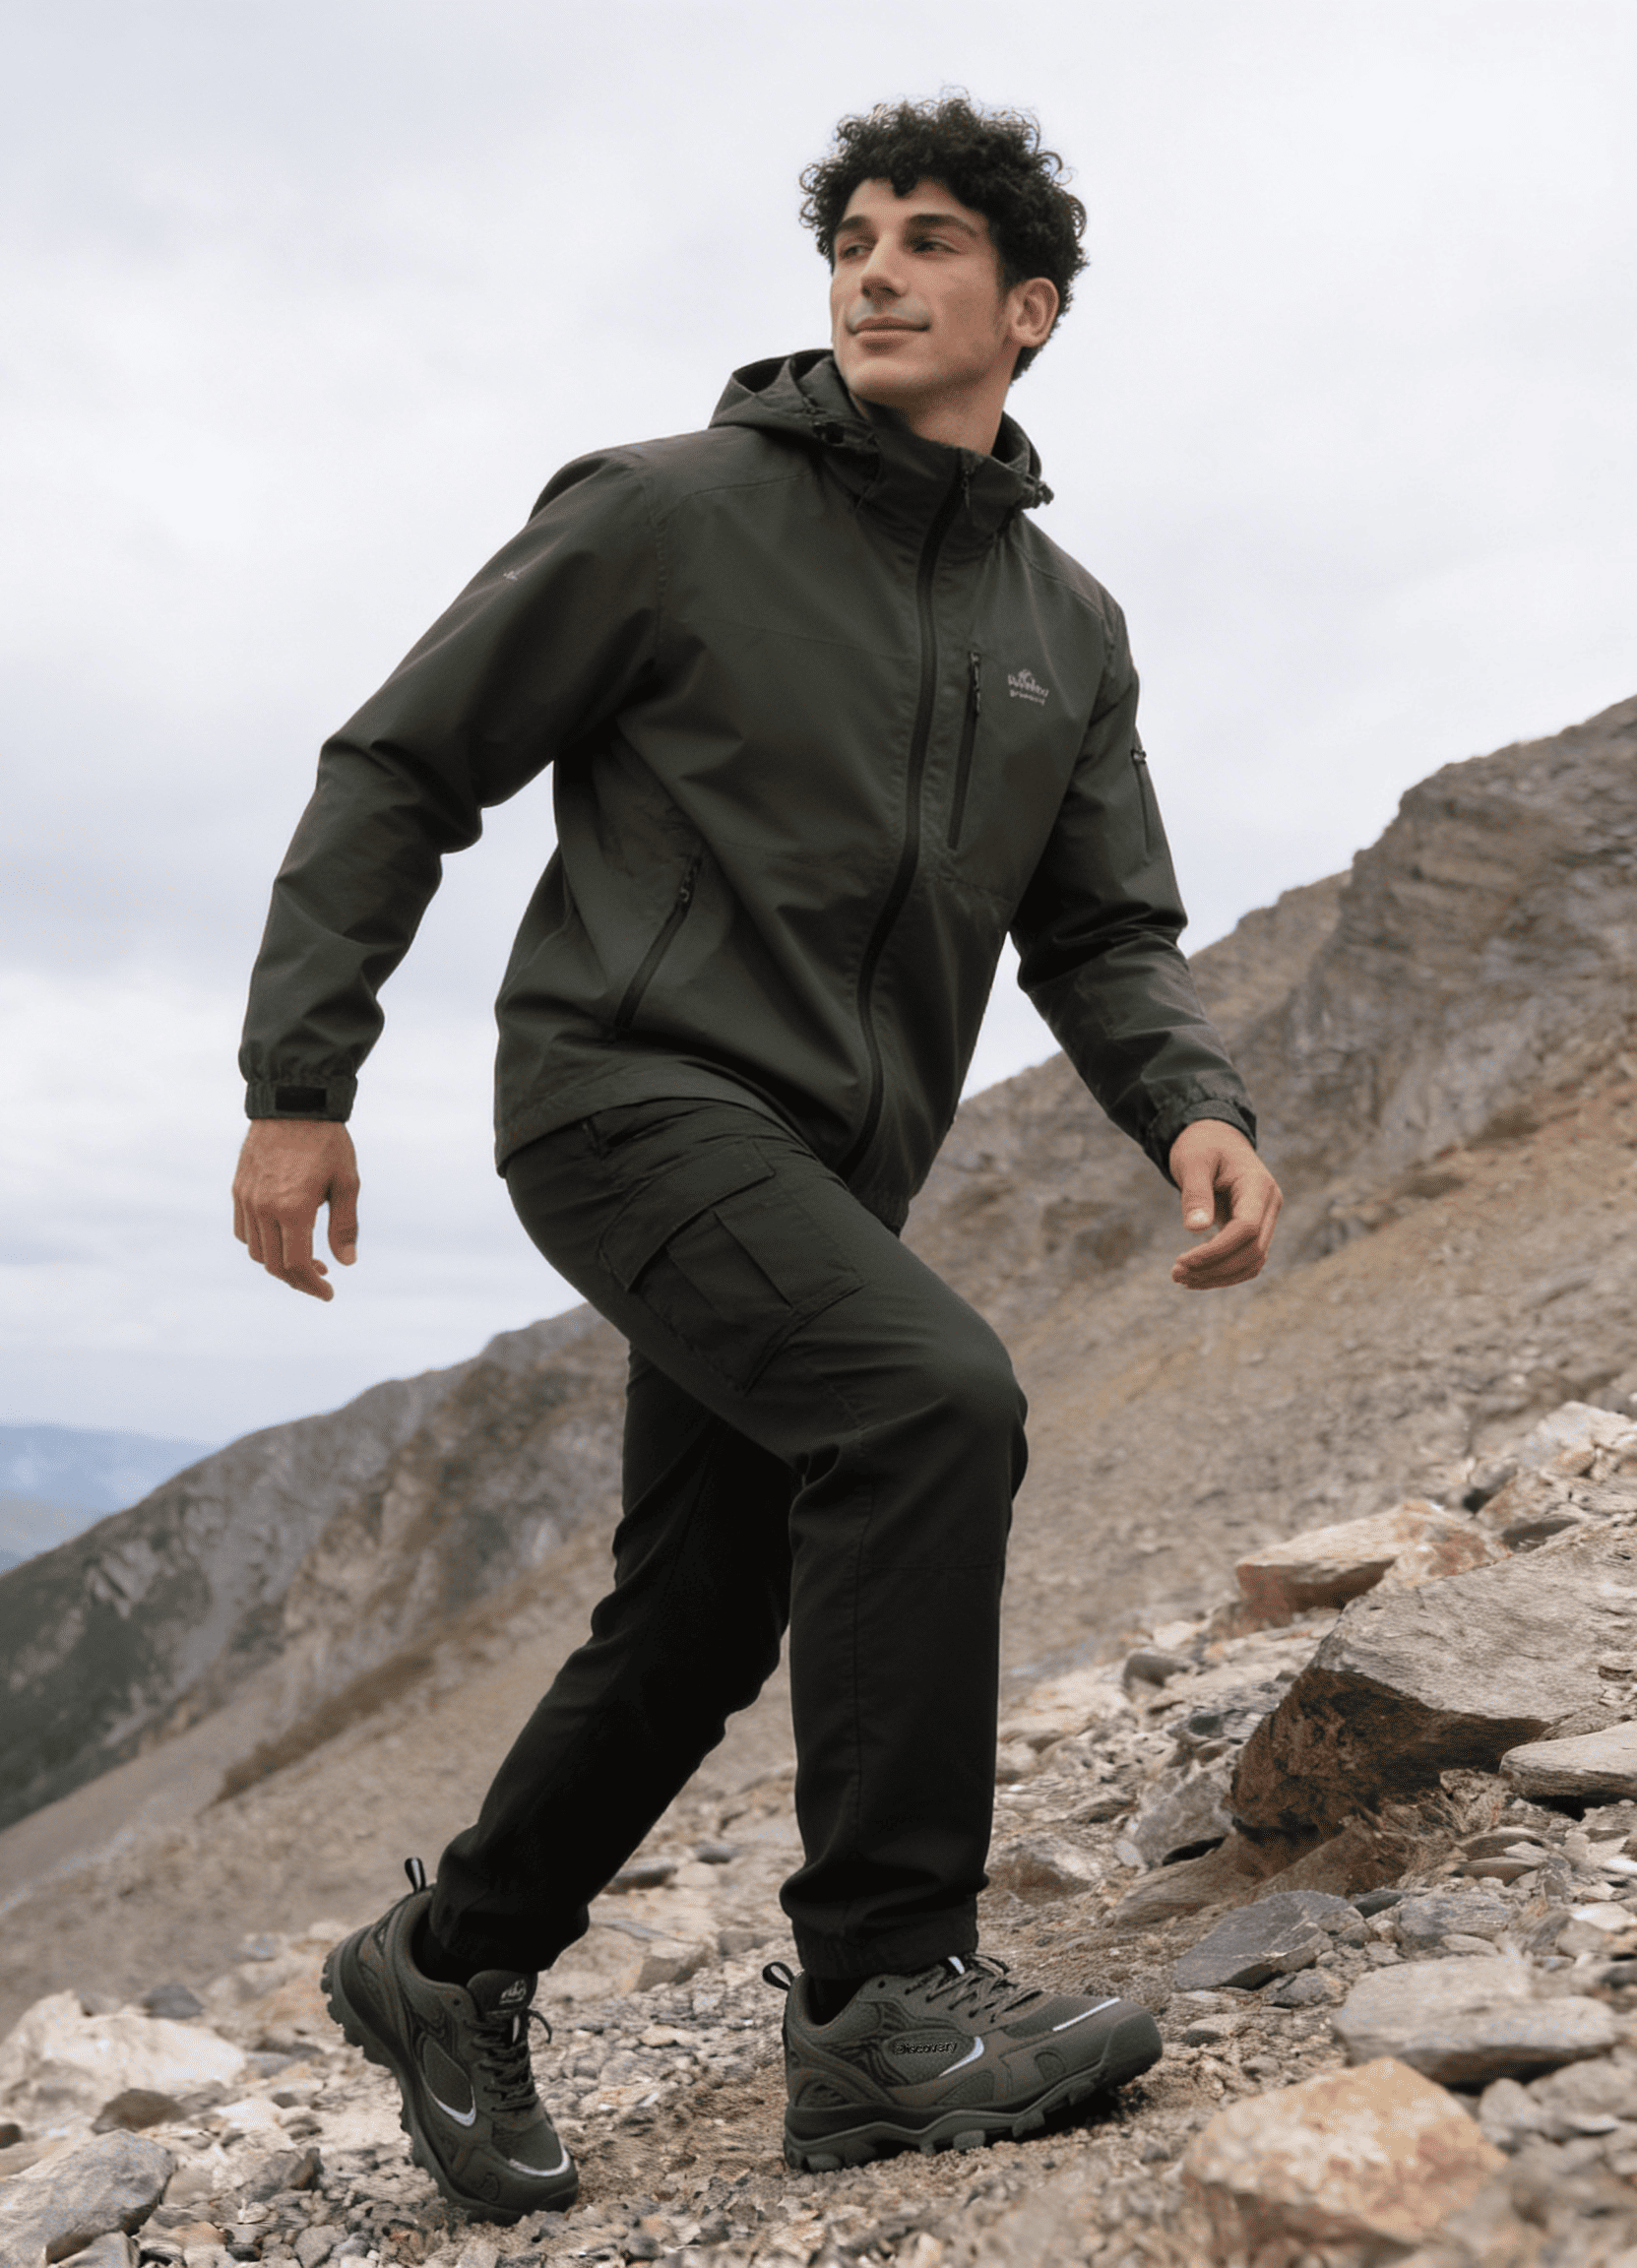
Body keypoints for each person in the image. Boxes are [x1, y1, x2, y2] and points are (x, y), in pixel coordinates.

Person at [232, 95, 1282, 2225]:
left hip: (821, 1163)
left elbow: (1100, 927)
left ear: (1032, 309)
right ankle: (888, 2003)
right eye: (854, 241)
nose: (875, 272)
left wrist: (1195, 1105)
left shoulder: (1064, 630)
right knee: (928, 1404)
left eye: (928, 242)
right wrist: (298, 1073)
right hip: (627, 1094)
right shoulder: (666, 512)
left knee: (708, 1606)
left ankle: (452, 1962)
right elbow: (404, 761)